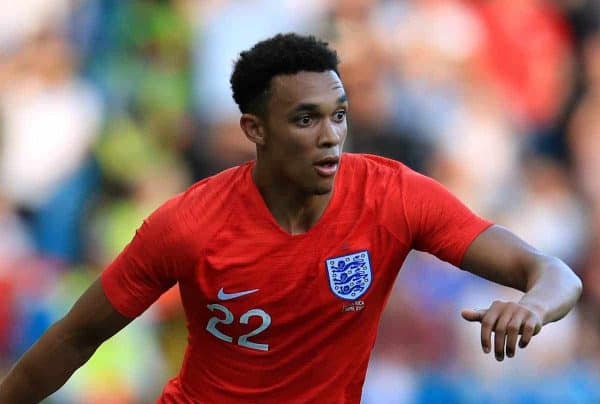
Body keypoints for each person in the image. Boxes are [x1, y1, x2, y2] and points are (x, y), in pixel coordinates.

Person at [0, 33, 582, 404]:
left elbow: (556, 273)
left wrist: (532, 303)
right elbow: (78, 335)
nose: (331, 137)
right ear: (255, 129)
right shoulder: (189, 225)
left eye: (339, 116)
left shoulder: (392, 195)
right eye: (306, 120)